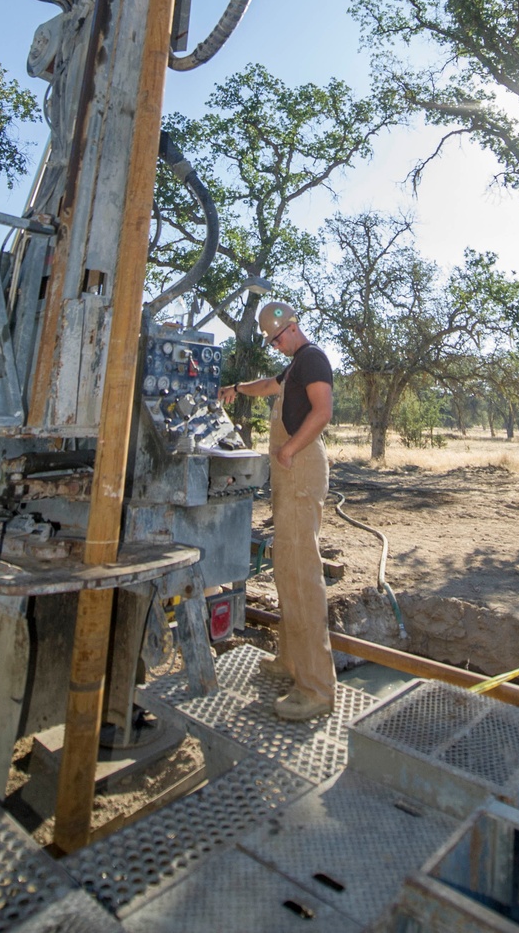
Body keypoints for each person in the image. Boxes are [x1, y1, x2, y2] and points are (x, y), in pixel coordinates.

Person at [220, 301, 336, 721]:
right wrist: (236, 388)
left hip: (301, 468)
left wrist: (287, 449)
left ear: (293, 326)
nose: (276, 345)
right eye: (271, 341)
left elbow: (322, 412)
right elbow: (268, 385)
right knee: (286, 563)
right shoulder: (293, 367)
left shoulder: (313, 358)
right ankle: (290, 661)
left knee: (303, 572)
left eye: (278, 337)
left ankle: (316, 687)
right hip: (290, 475)